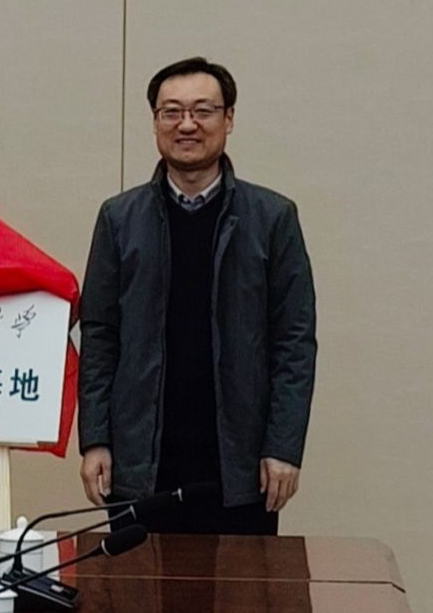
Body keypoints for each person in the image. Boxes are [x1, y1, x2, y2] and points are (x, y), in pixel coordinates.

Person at [77, 57, 316, 535]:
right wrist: (95, 439)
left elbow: (294, 341)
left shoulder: (272, 218)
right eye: (171, 112)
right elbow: (99, 335)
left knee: (244, 581)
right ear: (155, 122)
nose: (186, 124)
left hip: (241, 465)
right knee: (135, 581)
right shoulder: (119, 219)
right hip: (140, 460)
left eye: (203, 111)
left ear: (229, 119)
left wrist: (283, 447)